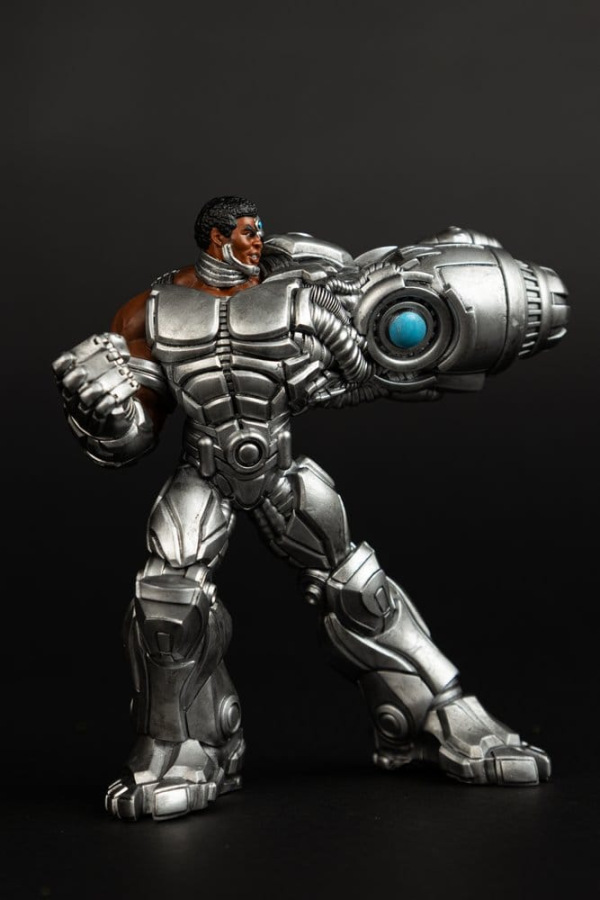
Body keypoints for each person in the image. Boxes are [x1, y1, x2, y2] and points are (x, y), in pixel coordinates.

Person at [53, 196, 565, 821]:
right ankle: (183, 744)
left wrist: (388, 359)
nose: (256, 242)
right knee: (168, 600)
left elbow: (371, 358)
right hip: (204, 471)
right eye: (247, 233)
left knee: (358, 587)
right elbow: (136, 433)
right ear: (216, 239)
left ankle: (439, 712)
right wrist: (102, 412)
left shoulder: (298, 290)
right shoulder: (150, 311)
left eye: (259, 232)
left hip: (279, 469)